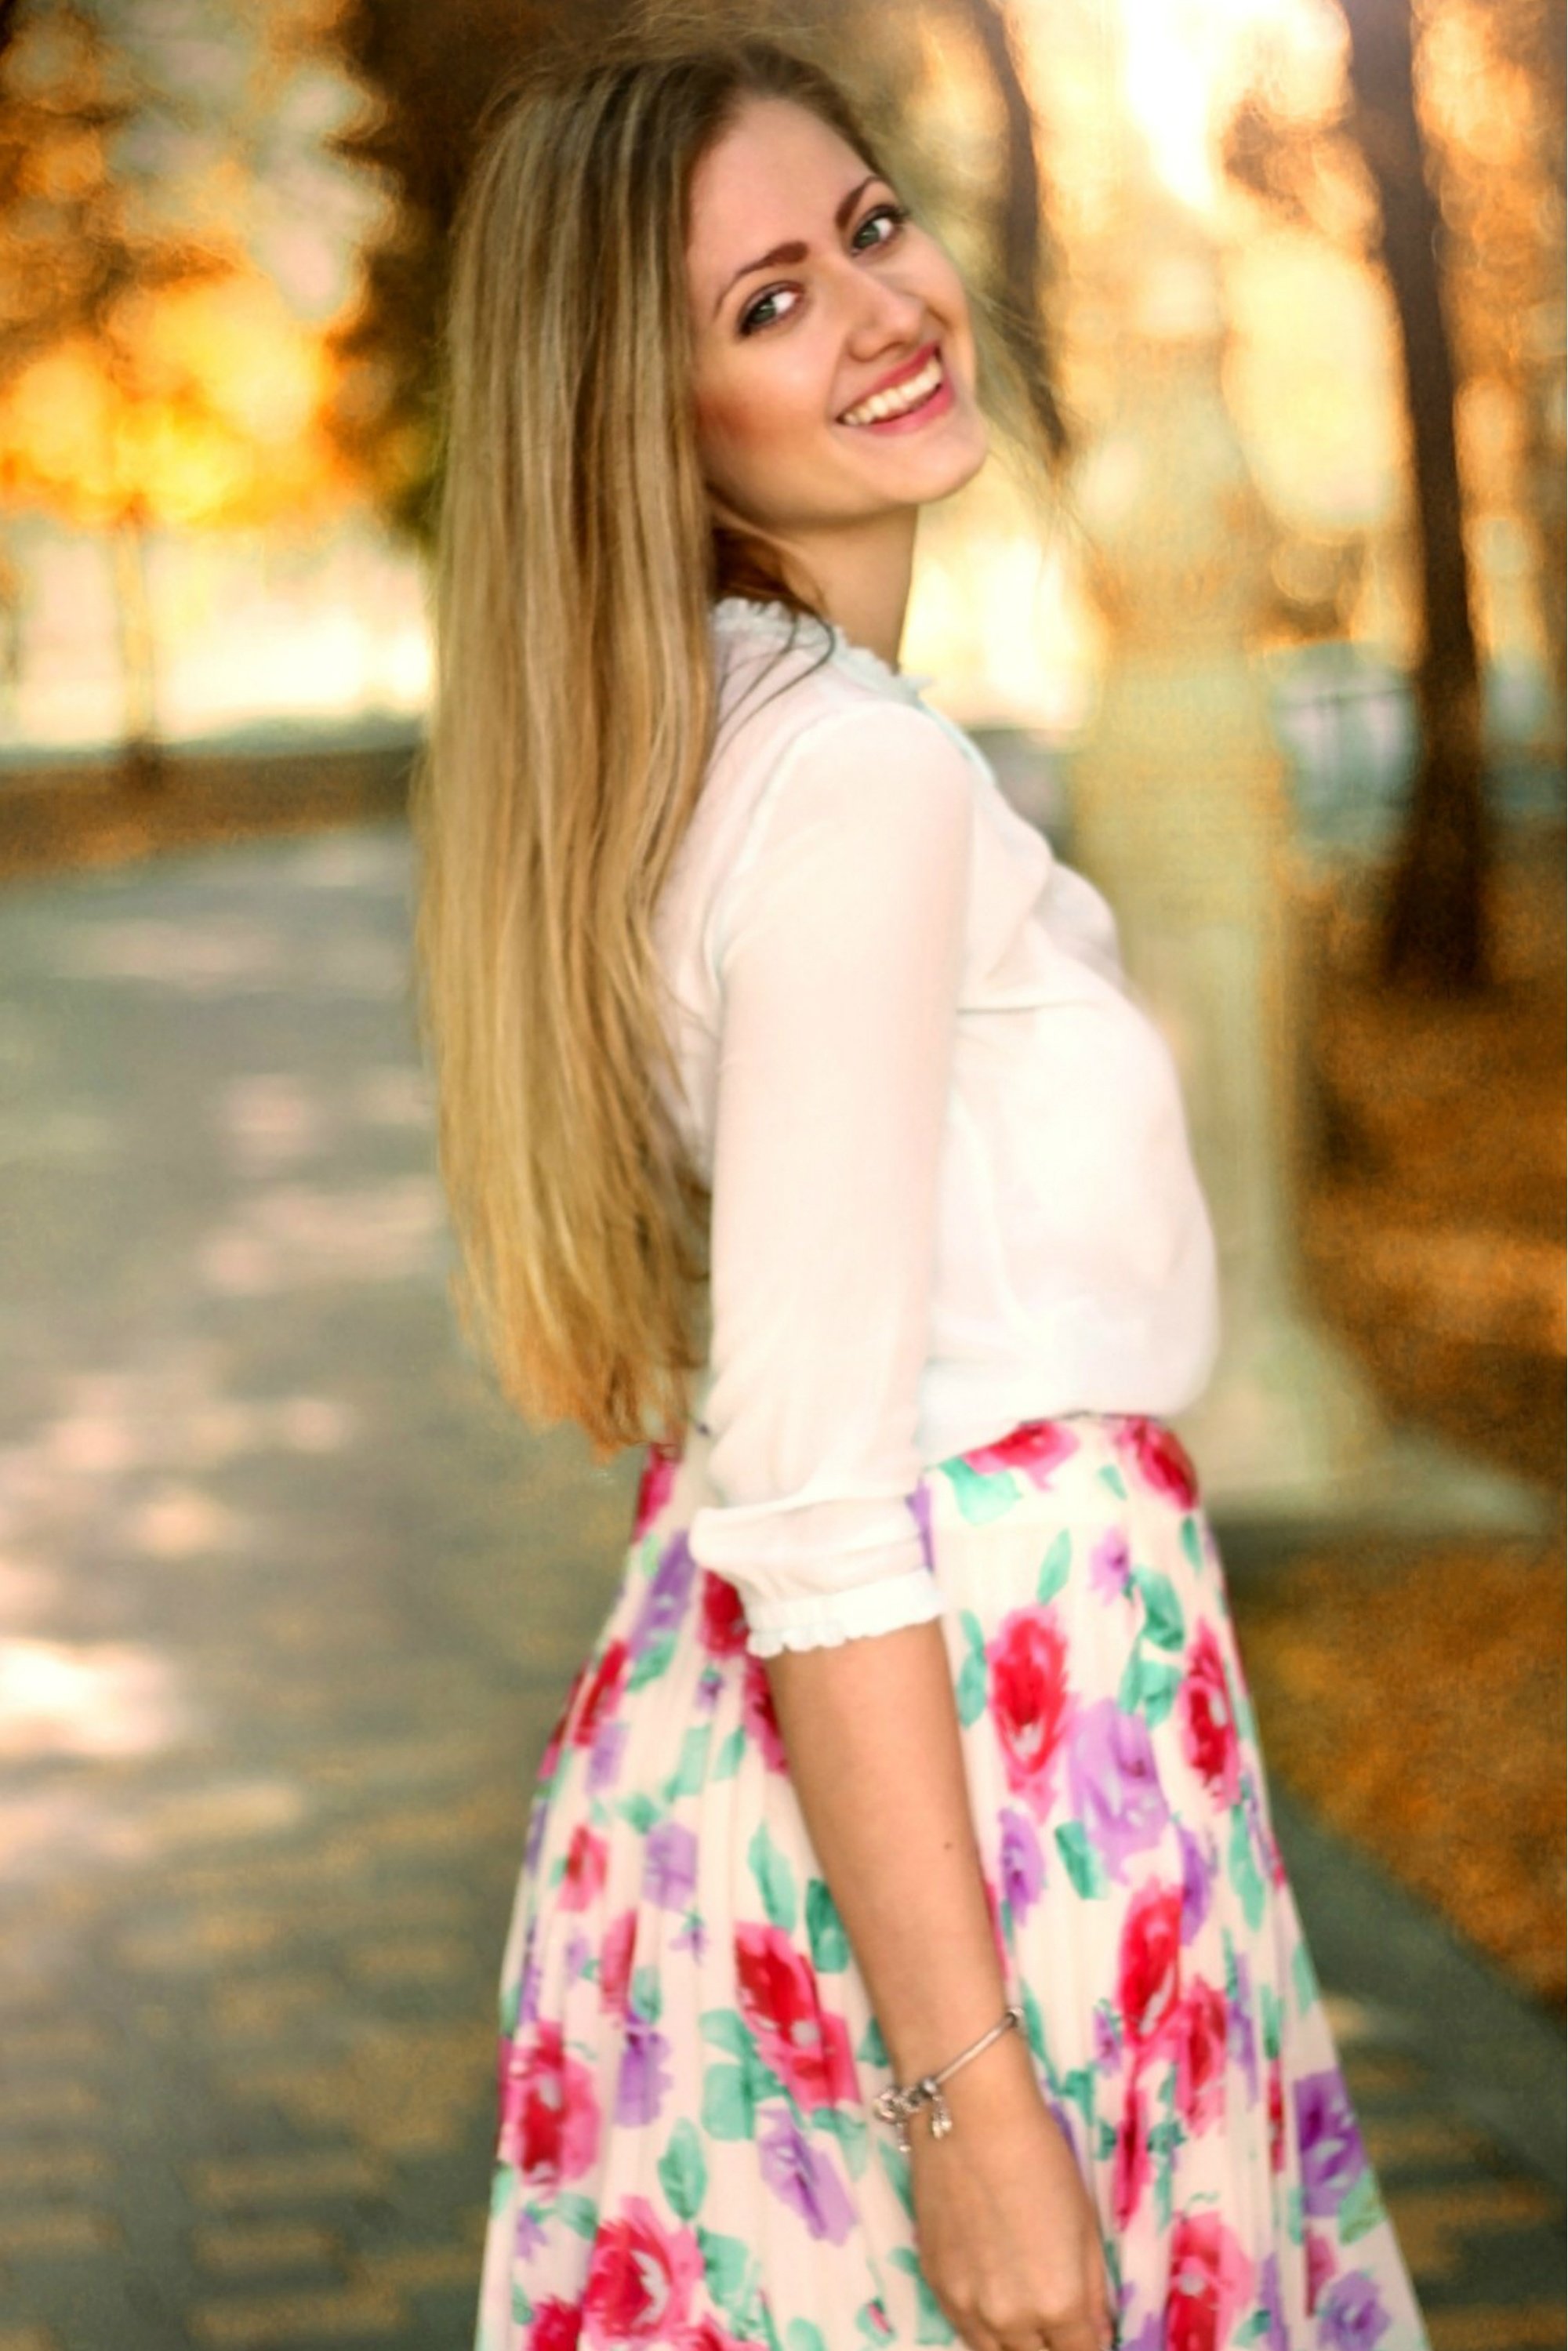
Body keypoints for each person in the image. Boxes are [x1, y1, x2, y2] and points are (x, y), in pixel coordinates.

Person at [416, 32, 1431, 2351]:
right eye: (767, 301)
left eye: (869, 226)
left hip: (835, 1793)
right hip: (987, 1802)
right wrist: (974, 2113)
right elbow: (812, 1493)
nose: (883, 308)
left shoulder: (697, 743)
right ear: (645, 413)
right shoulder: (846, 783)